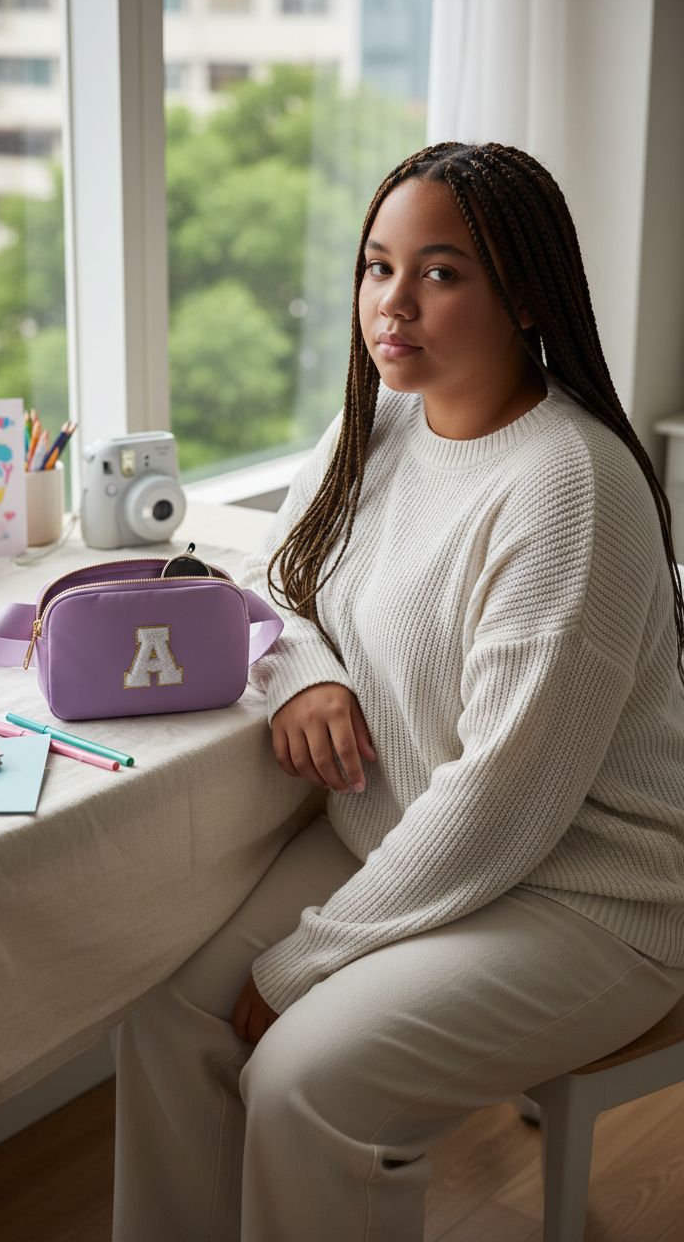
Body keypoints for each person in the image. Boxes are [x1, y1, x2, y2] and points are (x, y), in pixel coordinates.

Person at [111, 142, 684, 1242]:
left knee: (302, 1084)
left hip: (589, 893)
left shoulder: (568, 486)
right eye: (378, 267)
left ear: (523, 294)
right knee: (165, 1022)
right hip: (402, 832)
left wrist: (310, 959)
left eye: (440, 272)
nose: (394, 304)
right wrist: (309, 678)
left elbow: (505, 800)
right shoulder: (375, 422)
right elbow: (269, 587)